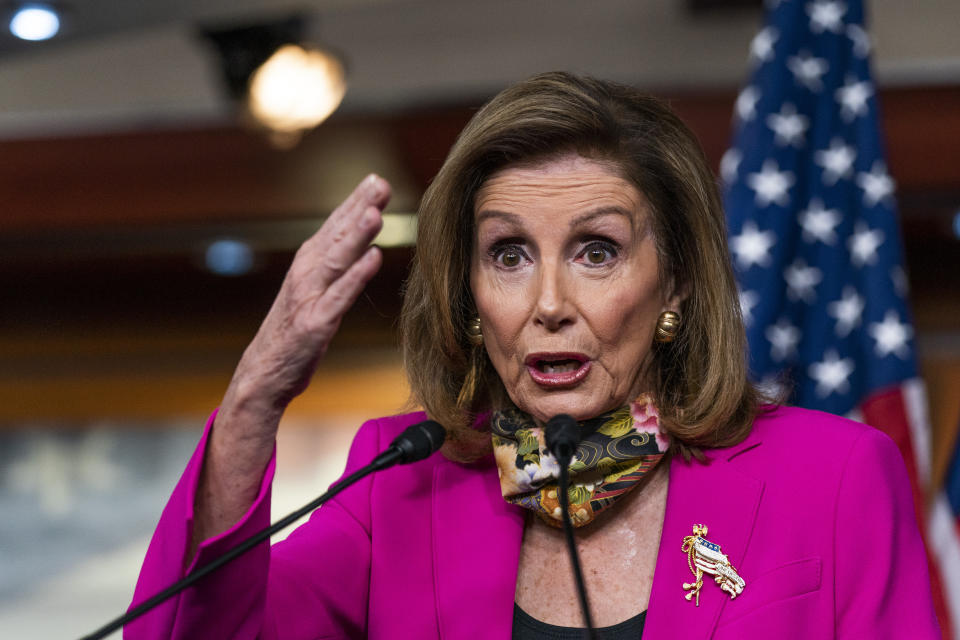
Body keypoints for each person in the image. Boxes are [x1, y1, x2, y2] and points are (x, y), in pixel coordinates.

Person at [127, 73, 940, 639]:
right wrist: (253, 402)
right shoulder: (397, 485)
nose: (549, 304)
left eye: (596, 251)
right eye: (509, 255)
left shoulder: (833, 475)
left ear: (677, 287)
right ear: (472, 297)